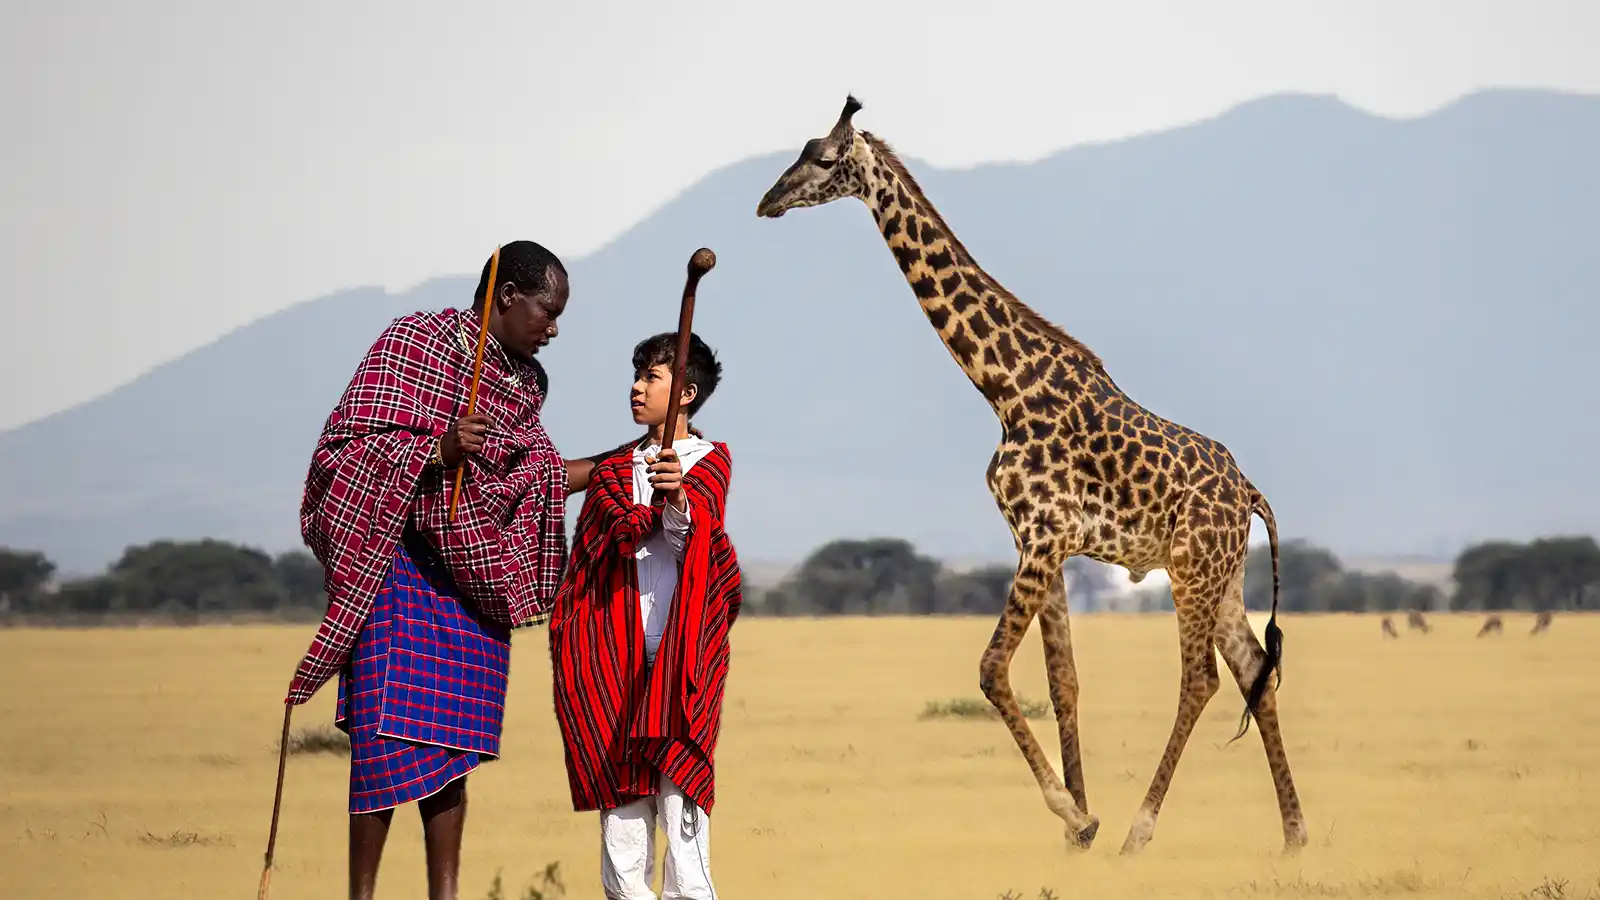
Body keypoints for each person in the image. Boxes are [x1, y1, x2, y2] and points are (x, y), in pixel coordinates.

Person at [286, 240, 626, 900]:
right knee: (385, 740)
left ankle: (446, 894)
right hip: (399, 572)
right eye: (546, 312)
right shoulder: (416, 343)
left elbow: (532, 479)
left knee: (449, 753)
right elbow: (344, 455)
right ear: (506, 299)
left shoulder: (522, 385)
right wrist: (436, 451)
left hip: (473, 585)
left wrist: (623, 459)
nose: (553, 330)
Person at [549, 332, 742, 900]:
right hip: (612, 657)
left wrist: (676, 500)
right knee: (623, 822)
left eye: (650, 377)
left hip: (681, 659)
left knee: (681, 806)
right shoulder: (614, 470)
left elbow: (700, 548)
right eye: (636, 375)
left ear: (685, 392)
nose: (636, 386)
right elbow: (588, 553)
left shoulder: (709, 464)